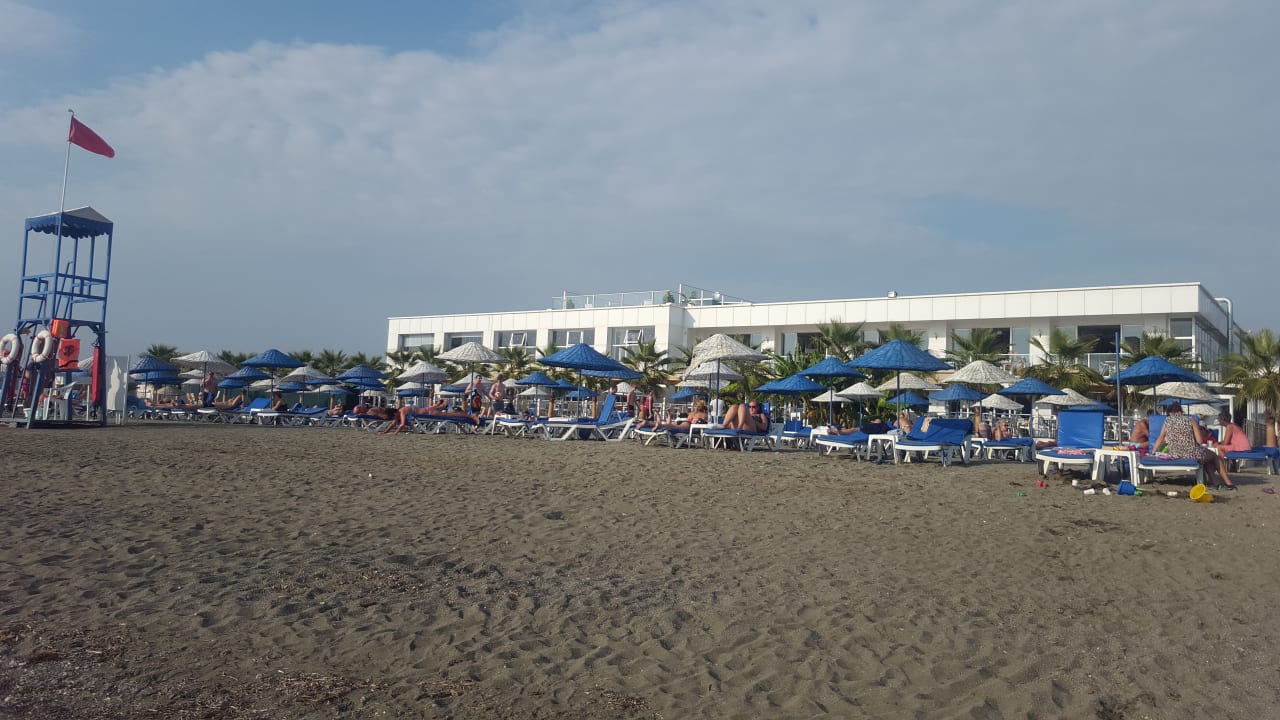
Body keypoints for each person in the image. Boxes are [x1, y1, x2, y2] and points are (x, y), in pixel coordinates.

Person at [1151, 402, 1236, 490]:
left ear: (1170, 413)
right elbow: (1199, 441)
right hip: (1191, 453)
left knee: (1207, 458)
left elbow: (1160, 438)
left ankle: (1216, 483)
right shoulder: (1191, 420)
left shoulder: (1167, 421)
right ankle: (1228, 483)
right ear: (1180, 411)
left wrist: (1152, 453)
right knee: (1214, 455)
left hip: (1174, 454)